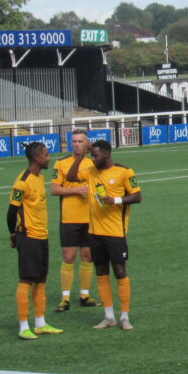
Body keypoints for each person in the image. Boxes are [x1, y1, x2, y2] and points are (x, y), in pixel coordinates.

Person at [66, 139, 141, 331]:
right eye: (91, 155)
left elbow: (137, 196)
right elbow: (71, 176)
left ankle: (124, 316)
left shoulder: (124, 171)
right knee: (101, 272)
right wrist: (80, 156)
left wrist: (114, 200)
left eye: (95, 155)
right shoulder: (90, 170)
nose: (93, 158)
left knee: (120, 272)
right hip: (94, 232)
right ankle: (109, 316)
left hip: (115, 232)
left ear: (106, 154)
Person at [7, 141, 63, 340]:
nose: (49, 158)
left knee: (41, 279)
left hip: (41, 236)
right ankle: (24, 326)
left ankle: (40, 323)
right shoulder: (23, 181)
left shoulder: (39, 178)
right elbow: (11, 211)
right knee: (27, 279)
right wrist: (14, 235)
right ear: (36, 158)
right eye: (46, 155)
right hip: (28, 236)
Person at [50, 130, 99, 312]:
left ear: (87, 144)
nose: (76, 144)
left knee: (87, 256)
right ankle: (65, 298)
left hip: (90, 218)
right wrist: (76, 191)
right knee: (68, 257)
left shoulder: (93, 163)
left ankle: (84, 295)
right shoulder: (61, 163)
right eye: (74, 141)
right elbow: (55, 190)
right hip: (69, 218)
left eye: (80, 141)